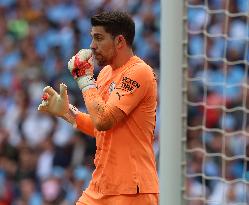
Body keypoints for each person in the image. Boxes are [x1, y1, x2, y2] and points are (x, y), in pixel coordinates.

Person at [38, 10, 159, 205]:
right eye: (92, 38)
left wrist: (85, 80)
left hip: (132, 191)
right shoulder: (104, 74)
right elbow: (100, 128)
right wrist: (68, 112)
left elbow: (104, 120)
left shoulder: (139, 72)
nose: (92, 46)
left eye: (99, 38)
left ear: (119, 41)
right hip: (100, 187)